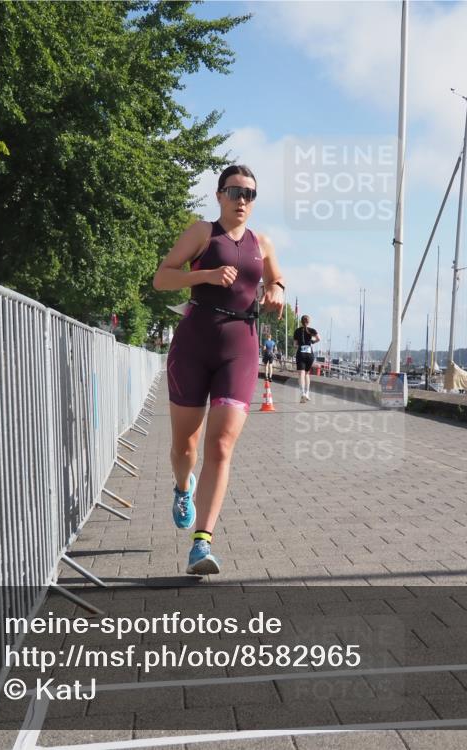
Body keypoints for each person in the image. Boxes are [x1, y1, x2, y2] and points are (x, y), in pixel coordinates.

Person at [153, 165, 285, 575]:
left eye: (249, 194)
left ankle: (201, 543)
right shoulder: (201, 233)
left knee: (221, 446)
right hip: (194, 343)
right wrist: (206, 274)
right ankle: (182, 487)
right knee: (185, 449)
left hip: (240, 347)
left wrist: (277, 291)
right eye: (235, 191)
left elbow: (278, 279)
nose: (242, 200)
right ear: (219, 195)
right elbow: (162, 279)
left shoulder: (261, 242)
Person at [293, 315, 319, 403]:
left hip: (301, 353)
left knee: (301, 374)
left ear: (301, 322)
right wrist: (312, 342)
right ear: (309, 322)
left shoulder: (297, 331)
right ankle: (307, 393)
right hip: (309, 354)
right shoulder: (312, 330)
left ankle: (303, 393)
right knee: (307, 374)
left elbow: (295, 344)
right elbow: (319, 339)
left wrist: (300, 344)